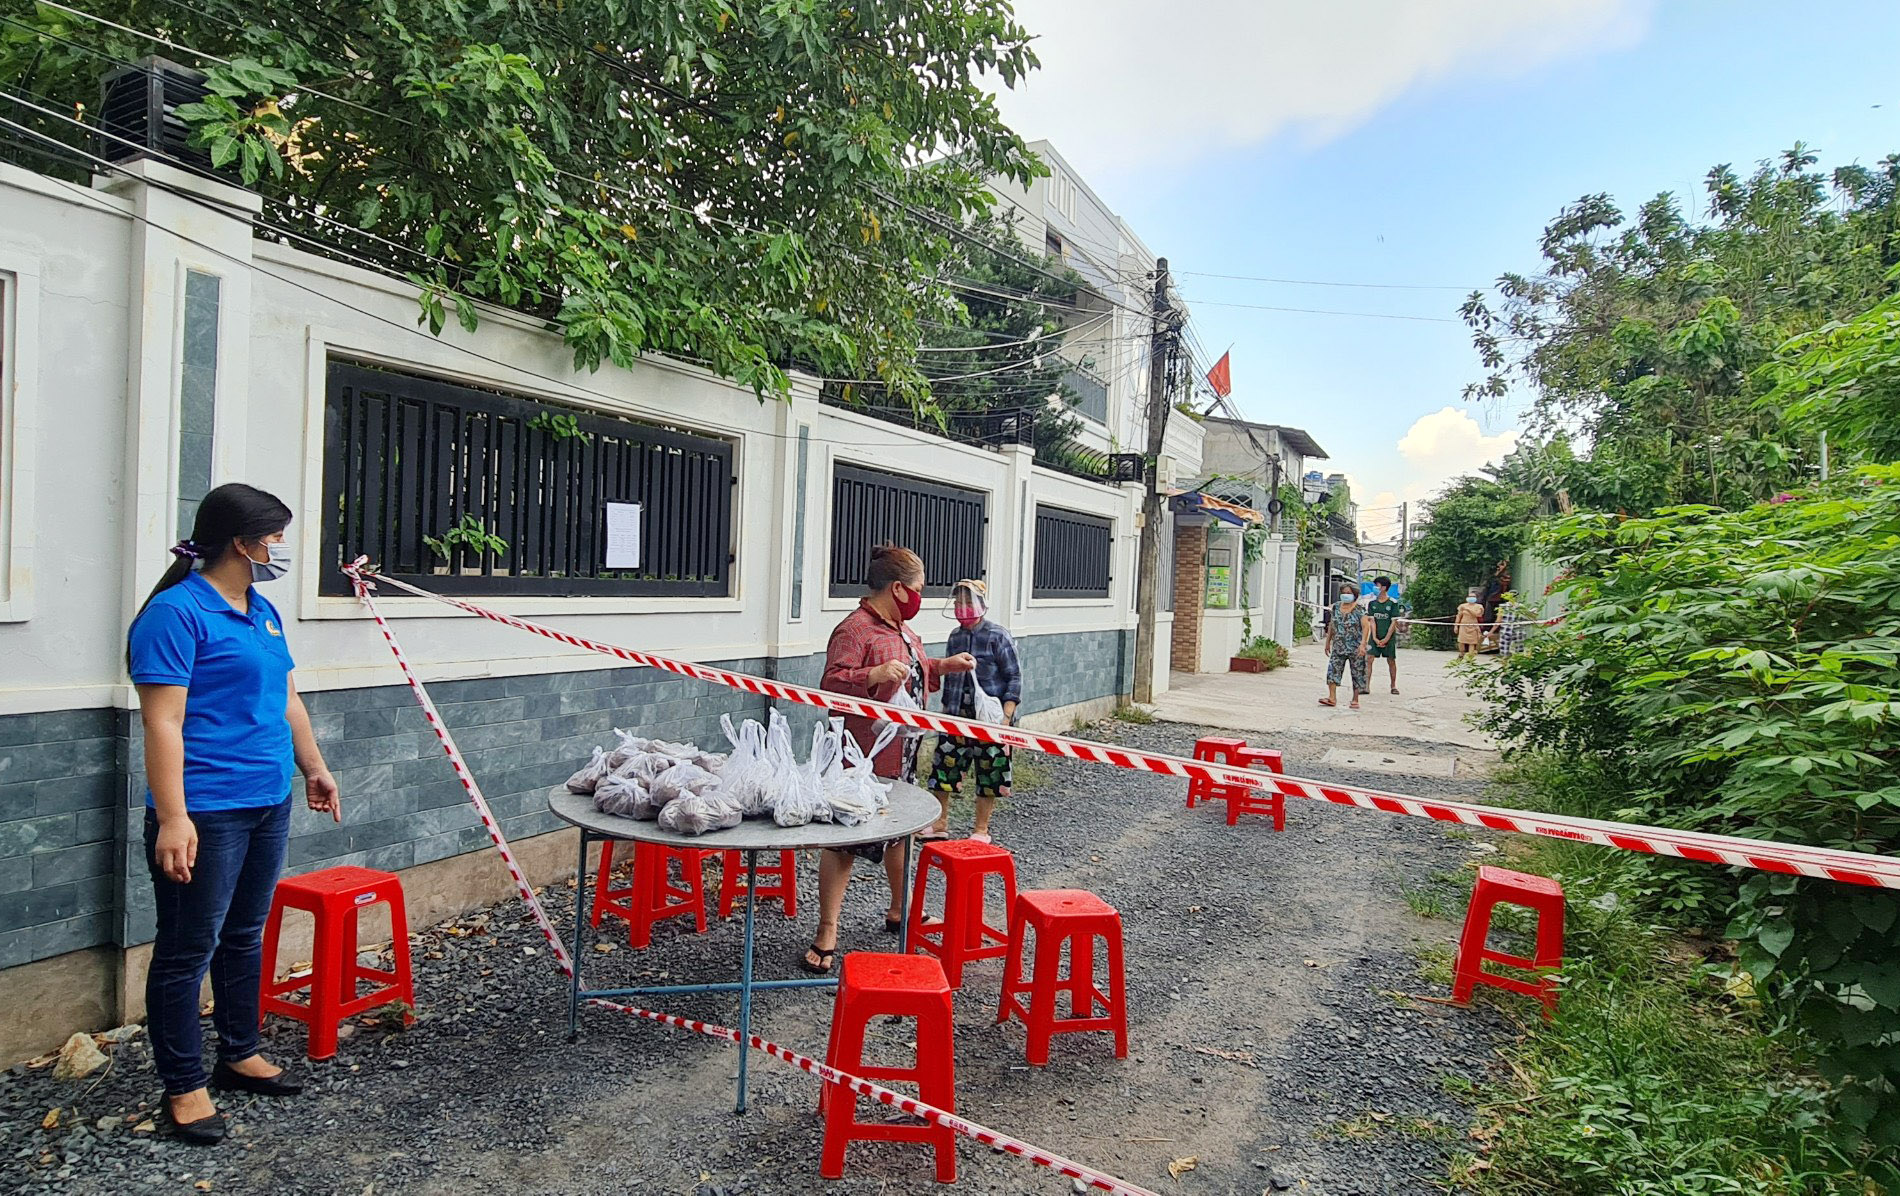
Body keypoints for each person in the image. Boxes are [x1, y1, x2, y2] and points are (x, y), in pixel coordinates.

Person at [127, 484, 340, 1146]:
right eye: (273, 537)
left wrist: (313, 767)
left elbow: (287, 698)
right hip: (206, 809)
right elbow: (162, 722)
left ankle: (239, 1053)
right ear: (240, 543)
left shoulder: (262, 609)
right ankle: (184, 1086)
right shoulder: (175, 613)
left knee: (244, 933)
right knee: (186, 948)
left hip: (267, 796)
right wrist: (172, 817)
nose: (281, 548)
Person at [803, 545, 975, 974]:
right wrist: (871, 676)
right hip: (857, 758)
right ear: (898, 588)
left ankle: (902, 911)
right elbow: (830, 685)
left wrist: (943, 665)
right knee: (844, 842)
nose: (920, 597)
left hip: (902, 754)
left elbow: (915, 671)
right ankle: (827, 930)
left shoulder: (903, 631)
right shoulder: (855, 630)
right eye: (917, 589)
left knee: (901, 832)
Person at [925, 580, 1021, 844]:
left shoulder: (997, 636)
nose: (962, 607)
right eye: (957, 603)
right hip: (956, 713)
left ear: (981, 604)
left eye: (967, 602)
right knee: (944, 768)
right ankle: (940, 823)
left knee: (990, 772)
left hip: (991, 719)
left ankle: (981, 829)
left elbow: (1014, 677)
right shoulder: (955, 637)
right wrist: (945, 712)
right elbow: (947, 676)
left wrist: (1006, 718)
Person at [1318, 580, 1372, 709]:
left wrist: (1363, 644)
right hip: (1339, 645)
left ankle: (1355, 699)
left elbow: (1366, 627)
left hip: (1355, 646)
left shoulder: (1360, 609)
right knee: (1333, 669)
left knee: (1357, 671)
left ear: (1354, 594)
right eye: (1343, 593)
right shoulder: (1336, 607)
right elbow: (1332, 624)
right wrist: (1327, 642)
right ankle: (1332, 697)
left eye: (1348, 593)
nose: (1345, 595)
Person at [1365, 576, 1406, 695]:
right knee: (1369, 659)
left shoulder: (1393, 603)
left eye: (1377, 585)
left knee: (1391, 660)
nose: (1375, 588)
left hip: (1388, 637)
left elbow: (1394, 622)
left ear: (1384, 588)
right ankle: (1366, 685)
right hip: (1375, 637)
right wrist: (1374, 638)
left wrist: (1386, 638)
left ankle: (1393, 685)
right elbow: (1372, 621)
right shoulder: (1372, 604)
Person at [1454, 589, 1487, 656]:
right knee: (1461, 641)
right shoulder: (1462, 606)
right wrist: (1456, 626)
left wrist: (1468, 609)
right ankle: (1461, 654)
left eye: (1473, 596)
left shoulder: (1479, 606)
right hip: (1463, 625)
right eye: (1470, 596)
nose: (1471, 598)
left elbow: (1478, 614)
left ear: (1476, 598)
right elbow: (1458, 616)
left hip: (1473, 626)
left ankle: (1470, 657)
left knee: (1472, 642)